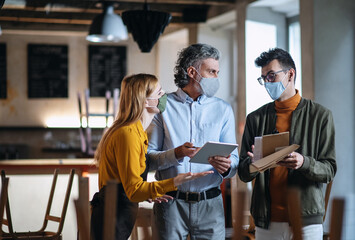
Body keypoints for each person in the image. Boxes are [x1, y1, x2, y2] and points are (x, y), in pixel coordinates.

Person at [90, 73, 213, 240]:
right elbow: (133, 190)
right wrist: (175, 181)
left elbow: (129, 183)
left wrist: (150, 193)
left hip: (117, 213)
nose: (164, 97)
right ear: (146, 101)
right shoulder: (128, 134)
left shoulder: (138, 132)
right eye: (160, 93)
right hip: (111, 216)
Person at [238, 48, 337, 240]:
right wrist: (253, 165)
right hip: (266, 220)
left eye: (271, 76)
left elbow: (329, 170)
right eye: (263, 78)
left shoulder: (321, 116)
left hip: (306, 219)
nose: (267, 82)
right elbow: (242, 172)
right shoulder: (255, 119)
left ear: (290, 74)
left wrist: (303, 163)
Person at [147, 43, 239, 239]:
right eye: (212, 71)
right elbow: (148, 159)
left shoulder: (223, 109)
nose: (216, 78)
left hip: (211, 204)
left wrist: (228, 165)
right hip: (170, 203)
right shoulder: (163, 104)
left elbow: (235, 160)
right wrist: (176, 154)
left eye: (217, 72)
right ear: (192, 72)